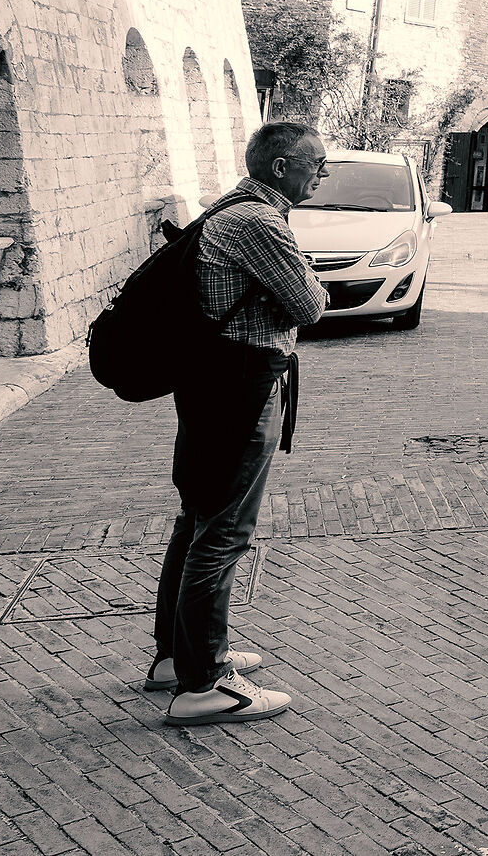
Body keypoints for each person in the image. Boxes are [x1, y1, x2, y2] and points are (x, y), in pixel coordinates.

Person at [150, 121, 327, 725]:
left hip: (210, 381)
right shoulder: (258, 222)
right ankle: (202, 683)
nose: (323, 173)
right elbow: (308, 304)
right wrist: (309, 283)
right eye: (316, 163)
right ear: (282, 168)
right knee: (225, 529)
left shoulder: (228, 208)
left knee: (199, 516)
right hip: (241, 384)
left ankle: (178, 658)